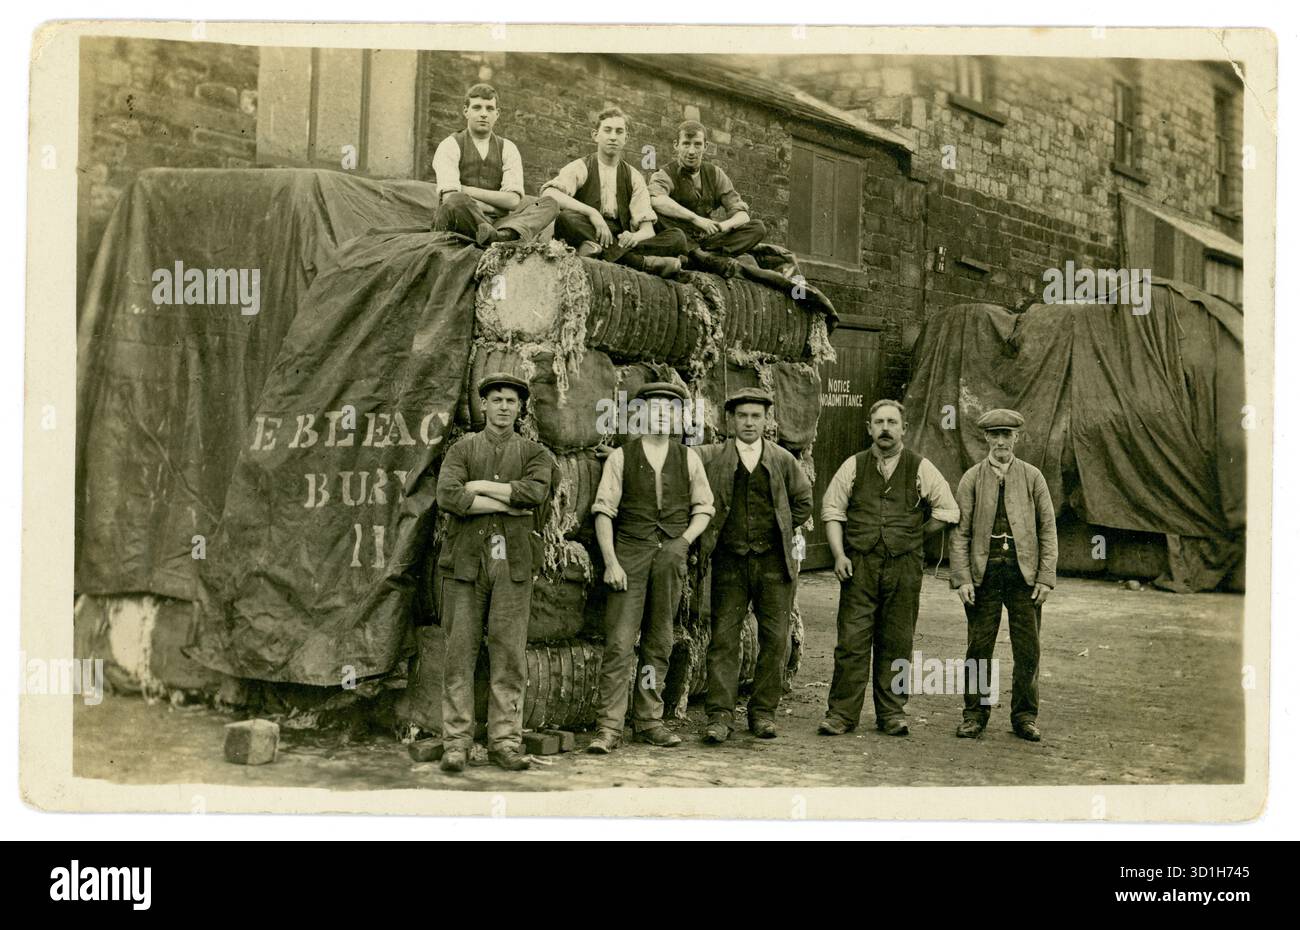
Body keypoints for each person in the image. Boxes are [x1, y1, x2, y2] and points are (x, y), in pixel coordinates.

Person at [434, 373, 555, 773]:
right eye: (497, 399)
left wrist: (480, 486)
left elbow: (534, 492)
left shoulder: (535, 453)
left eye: (511, 401)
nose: (504, 407)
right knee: (459, 653)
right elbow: (448, 495)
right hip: (466, 563)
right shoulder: (462, 449)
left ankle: (505, 741)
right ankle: (457, 742)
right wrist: (506, 505)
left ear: (520, 409)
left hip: (513, 564)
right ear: (483, 405)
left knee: (508, 655)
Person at [587, 382, 715, 753]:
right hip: (630, 555)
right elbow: (603, 512)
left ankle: (648, 721)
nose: (661, 416)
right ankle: (609, 727)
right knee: (620, 643)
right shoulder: (621, 457)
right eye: (654, 409)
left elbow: (704, 508)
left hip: (669, 559)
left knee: (658, 643)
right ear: (639, 415)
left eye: (669, 410)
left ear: (679, 418)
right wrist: (611, 562)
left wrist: (683, 541)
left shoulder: (688, 458)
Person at [819, 399, 959, 737]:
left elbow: (948, 511)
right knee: (852, 641)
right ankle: (841, 714)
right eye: (879, 422)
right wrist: (839, 555)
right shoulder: (853, 466)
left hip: (904, 568)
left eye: (892, 422)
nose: (885, 428)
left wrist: (914, 534)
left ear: (903, 429)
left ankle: (892, 713)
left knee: (897, 641)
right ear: (869, 428)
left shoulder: (921, 467)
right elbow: (832, 511)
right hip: (860, 567)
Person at [696, 388, 813, 742]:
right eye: (742, 416)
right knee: (723, 640)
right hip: (729, 562)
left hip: (774, 564)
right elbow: (678, 461)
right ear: (730, 420)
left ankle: (763, 713)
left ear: (766, 421)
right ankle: (720, 716)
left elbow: (804, 500)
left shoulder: (782, 460)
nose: (749, 422)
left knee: (775, 640)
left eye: (756, 416)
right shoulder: (713, 457)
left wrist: (781, 529)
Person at [949, 408, 1057, 742]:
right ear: (986, 438)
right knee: (979, 647)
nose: (1000, 442)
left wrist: (1045, 577)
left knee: (1028, 649)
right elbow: (960, 533)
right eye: (994, 435)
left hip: (1024, 577)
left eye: (1006, 435)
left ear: (1016, 438)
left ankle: (1025, 716)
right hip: (984, 575)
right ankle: (974, 714)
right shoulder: (971, 479)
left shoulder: (1033, 477)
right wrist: (963, 578)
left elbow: (1047, 529)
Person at [542, 107, 691, 278]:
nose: (613, 137)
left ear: (626, 138)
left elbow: (648, 230)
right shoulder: (582, 166)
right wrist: (592, 213)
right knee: (566, 219)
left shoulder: (633, 176)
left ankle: (599, 251)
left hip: (619, 236)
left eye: (619, 132)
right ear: (595, 135)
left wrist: (634, 237)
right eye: (607, 130)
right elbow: (549, 193)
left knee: (677, 237)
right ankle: (642, 262)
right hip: (588, 228)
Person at [432, 83, 558, 246]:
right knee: (457, 200)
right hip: (462, 219)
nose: (484, 114)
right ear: (466, 111)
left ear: (497, 114)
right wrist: (495, 208)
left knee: (549, 204)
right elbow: (449, 197)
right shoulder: (450, 144)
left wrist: (466, 190)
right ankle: (499, 238)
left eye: (490, 109)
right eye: (477, 107)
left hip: (498, 223)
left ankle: (503, 235)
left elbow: (513, 201)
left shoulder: (508, 148)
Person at [648, 120, 768, 277]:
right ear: (676, 145)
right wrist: (695, 219)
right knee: (657, 216)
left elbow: (742, 214)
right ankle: (701, 257)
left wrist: (722, 226)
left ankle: (702, 257)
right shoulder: (665, 173)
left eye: (697, 144)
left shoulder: (715, 174)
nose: (692, 151)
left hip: (707, 240)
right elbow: (656, 200)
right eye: (686, 144)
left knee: (758, 228)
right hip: (679, 236)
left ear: (706, 146)